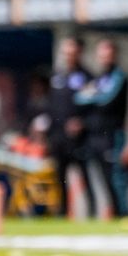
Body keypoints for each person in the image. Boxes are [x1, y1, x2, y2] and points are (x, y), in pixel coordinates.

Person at [74, 38, 128, 218]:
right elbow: (78, 99)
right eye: (101, 54)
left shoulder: (120, 76)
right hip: (94, 136)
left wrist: (92, 95)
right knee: (96, 176)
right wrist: (92, 95)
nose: (105, 57)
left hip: (111, 136)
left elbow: (107, 100)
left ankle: (122, 214)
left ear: (115, 55)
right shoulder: (99, 78)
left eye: (108, 54)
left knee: (114, 177)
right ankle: (98, 213)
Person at [45, 36, 90, 216]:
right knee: (60, 178)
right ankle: (62, 213)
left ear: (79, 52)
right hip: (58, 137)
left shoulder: (87, 76)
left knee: (84, 176)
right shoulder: (58, 76)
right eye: (66, 51)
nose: (68, 54)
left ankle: (92, 211)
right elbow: (52, 104)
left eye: (72, 50)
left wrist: (82, 121)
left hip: (78, 139)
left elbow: (93, 105)